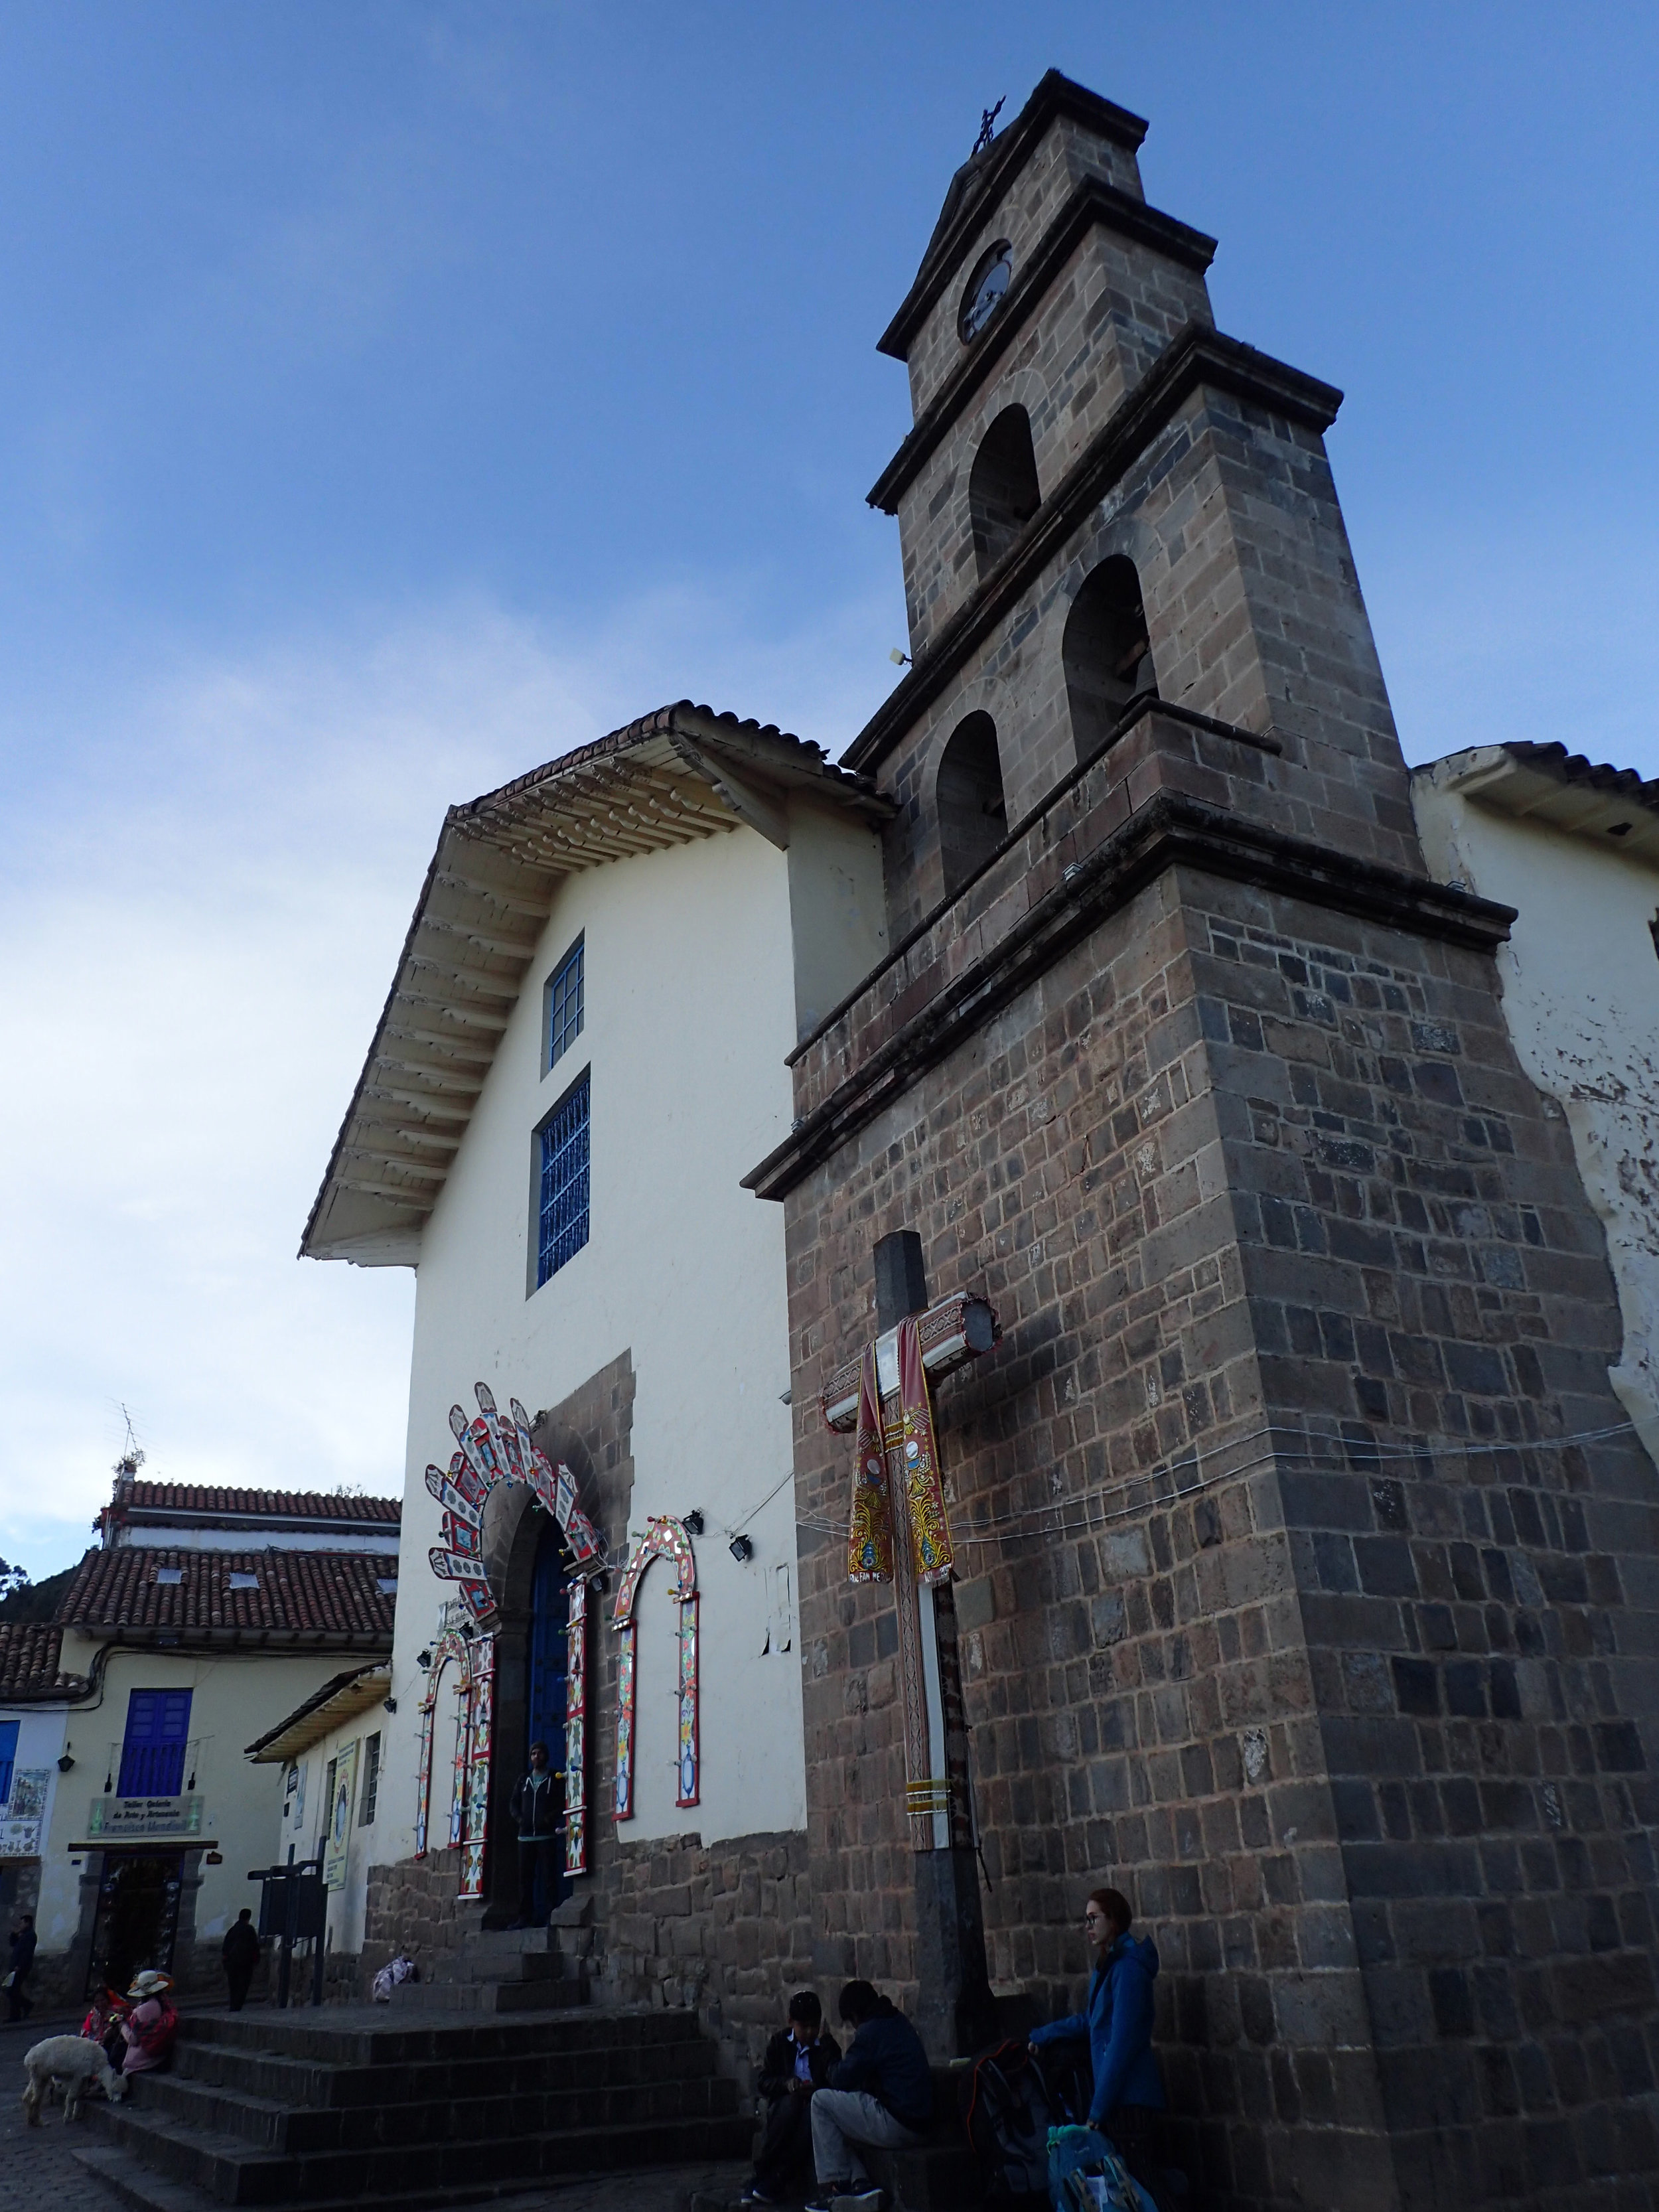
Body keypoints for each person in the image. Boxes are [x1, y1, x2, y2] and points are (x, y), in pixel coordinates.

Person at [1029, 1888, 1165, 2185]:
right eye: (1086, 1920)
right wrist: (1043, 2035)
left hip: (1130, 2098)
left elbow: (1122, 2044)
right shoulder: (1111, 1966)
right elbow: (1092, 2021)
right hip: (1117, 2099)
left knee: (1143, 2184)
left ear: (1113, 1921)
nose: (1088, 1927)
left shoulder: (1128, 1971)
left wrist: (1098, 2109)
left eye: (1094, 1919)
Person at [805, 1980, 933, 2211]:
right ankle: (860, 2183)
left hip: (899, 2123)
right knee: (842, 2113)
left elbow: (841, 2078)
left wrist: (827, 2048)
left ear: (855, 2015)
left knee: (821, 2103)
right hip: (920, 2123)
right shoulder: (897, 2021)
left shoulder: (871, 2032)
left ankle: (838, 2187)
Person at [741, 1988, 842, 2205]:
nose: (809, 2032)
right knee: (790, 2108)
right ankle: (763, 2173)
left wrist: (815, 2087)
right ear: (791, 2022)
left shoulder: (826, 2047)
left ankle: (780, 2176)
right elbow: (764, 2081)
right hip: (787, 2104)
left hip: (815, 2106)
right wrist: (787, 2085)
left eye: (813, 2026)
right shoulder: (780, 2043)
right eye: (803, 2027)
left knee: (810, 2115)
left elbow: (835, 2079)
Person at [508, 1740, 561, 1929]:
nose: (536, 1757)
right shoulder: (524, 1780)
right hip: (526, 1837)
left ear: (546, 1756)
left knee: (549, 1879)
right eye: (533, 1754)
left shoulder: (555, 1779)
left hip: (546, 1836)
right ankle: (525, 1917)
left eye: (539, 1753)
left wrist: (548, 1819)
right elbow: (513, 1803)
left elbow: (562, 1802)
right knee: (525, 1880)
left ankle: (550, 1915)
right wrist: (520, 1819)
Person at [119, 1969, 179, 2074]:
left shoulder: (145, 2009)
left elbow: (133, 2039)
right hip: (155, 2055)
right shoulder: (161, 2002)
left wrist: (122, 2025)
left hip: (142, 2060)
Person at [222, 1907, 262, 2011]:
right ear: (249, 1918)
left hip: (232, 1963)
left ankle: (233, 2005)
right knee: (243, 1985)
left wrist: (225, 1962)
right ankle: (237, 2005)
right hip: (246, 1963)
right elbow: (255, 1946)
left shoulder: (232, 1930)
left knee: (233, 1985)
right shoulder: (250, 1930)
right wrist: (256, 1960)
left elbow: (225, 1947)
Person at [5, 1911, 35, 2023]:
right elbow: (13, 1944)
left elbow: (27, 1953)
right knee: (12, 1990)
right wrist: (15, 1934)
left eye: (22, 1923)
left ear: (27, 1923)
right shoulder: (23, 1935)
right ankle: (24, 2007)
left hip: (20, 1968)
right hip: (15, 1967)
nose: (20, 1925)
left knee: (12, 1990)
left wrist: (20, 1966)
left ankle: (19, 2012)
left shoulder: (30, 1936)